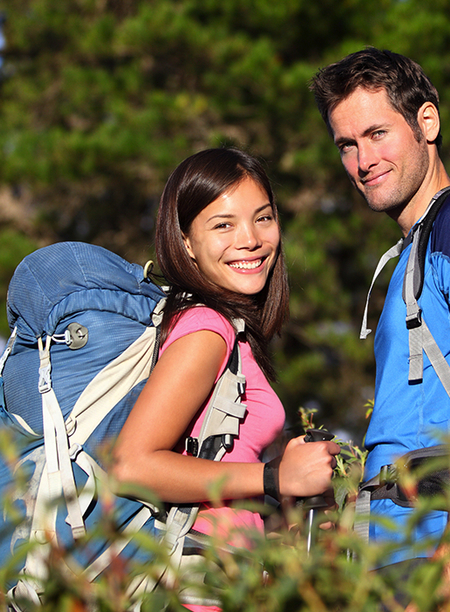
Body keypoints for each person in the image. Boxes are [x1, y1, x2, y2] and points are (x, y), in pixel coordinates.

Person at [309, 49, 450, 603]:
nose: (363, 160)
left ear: (426, 122)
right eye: (347, 145)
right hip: (401, 561)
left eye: (377, 133)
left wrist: (449, 570)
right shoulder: (420, 246)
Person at [112, 147, 340, 610]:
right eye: (223, 224)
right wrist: (274, 478)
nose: (251, 239)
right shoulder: (205, 329)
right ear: (186, 243)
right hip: (191, 586)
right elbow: (132, 465)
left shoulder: (231, 334)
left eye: (263, 218)